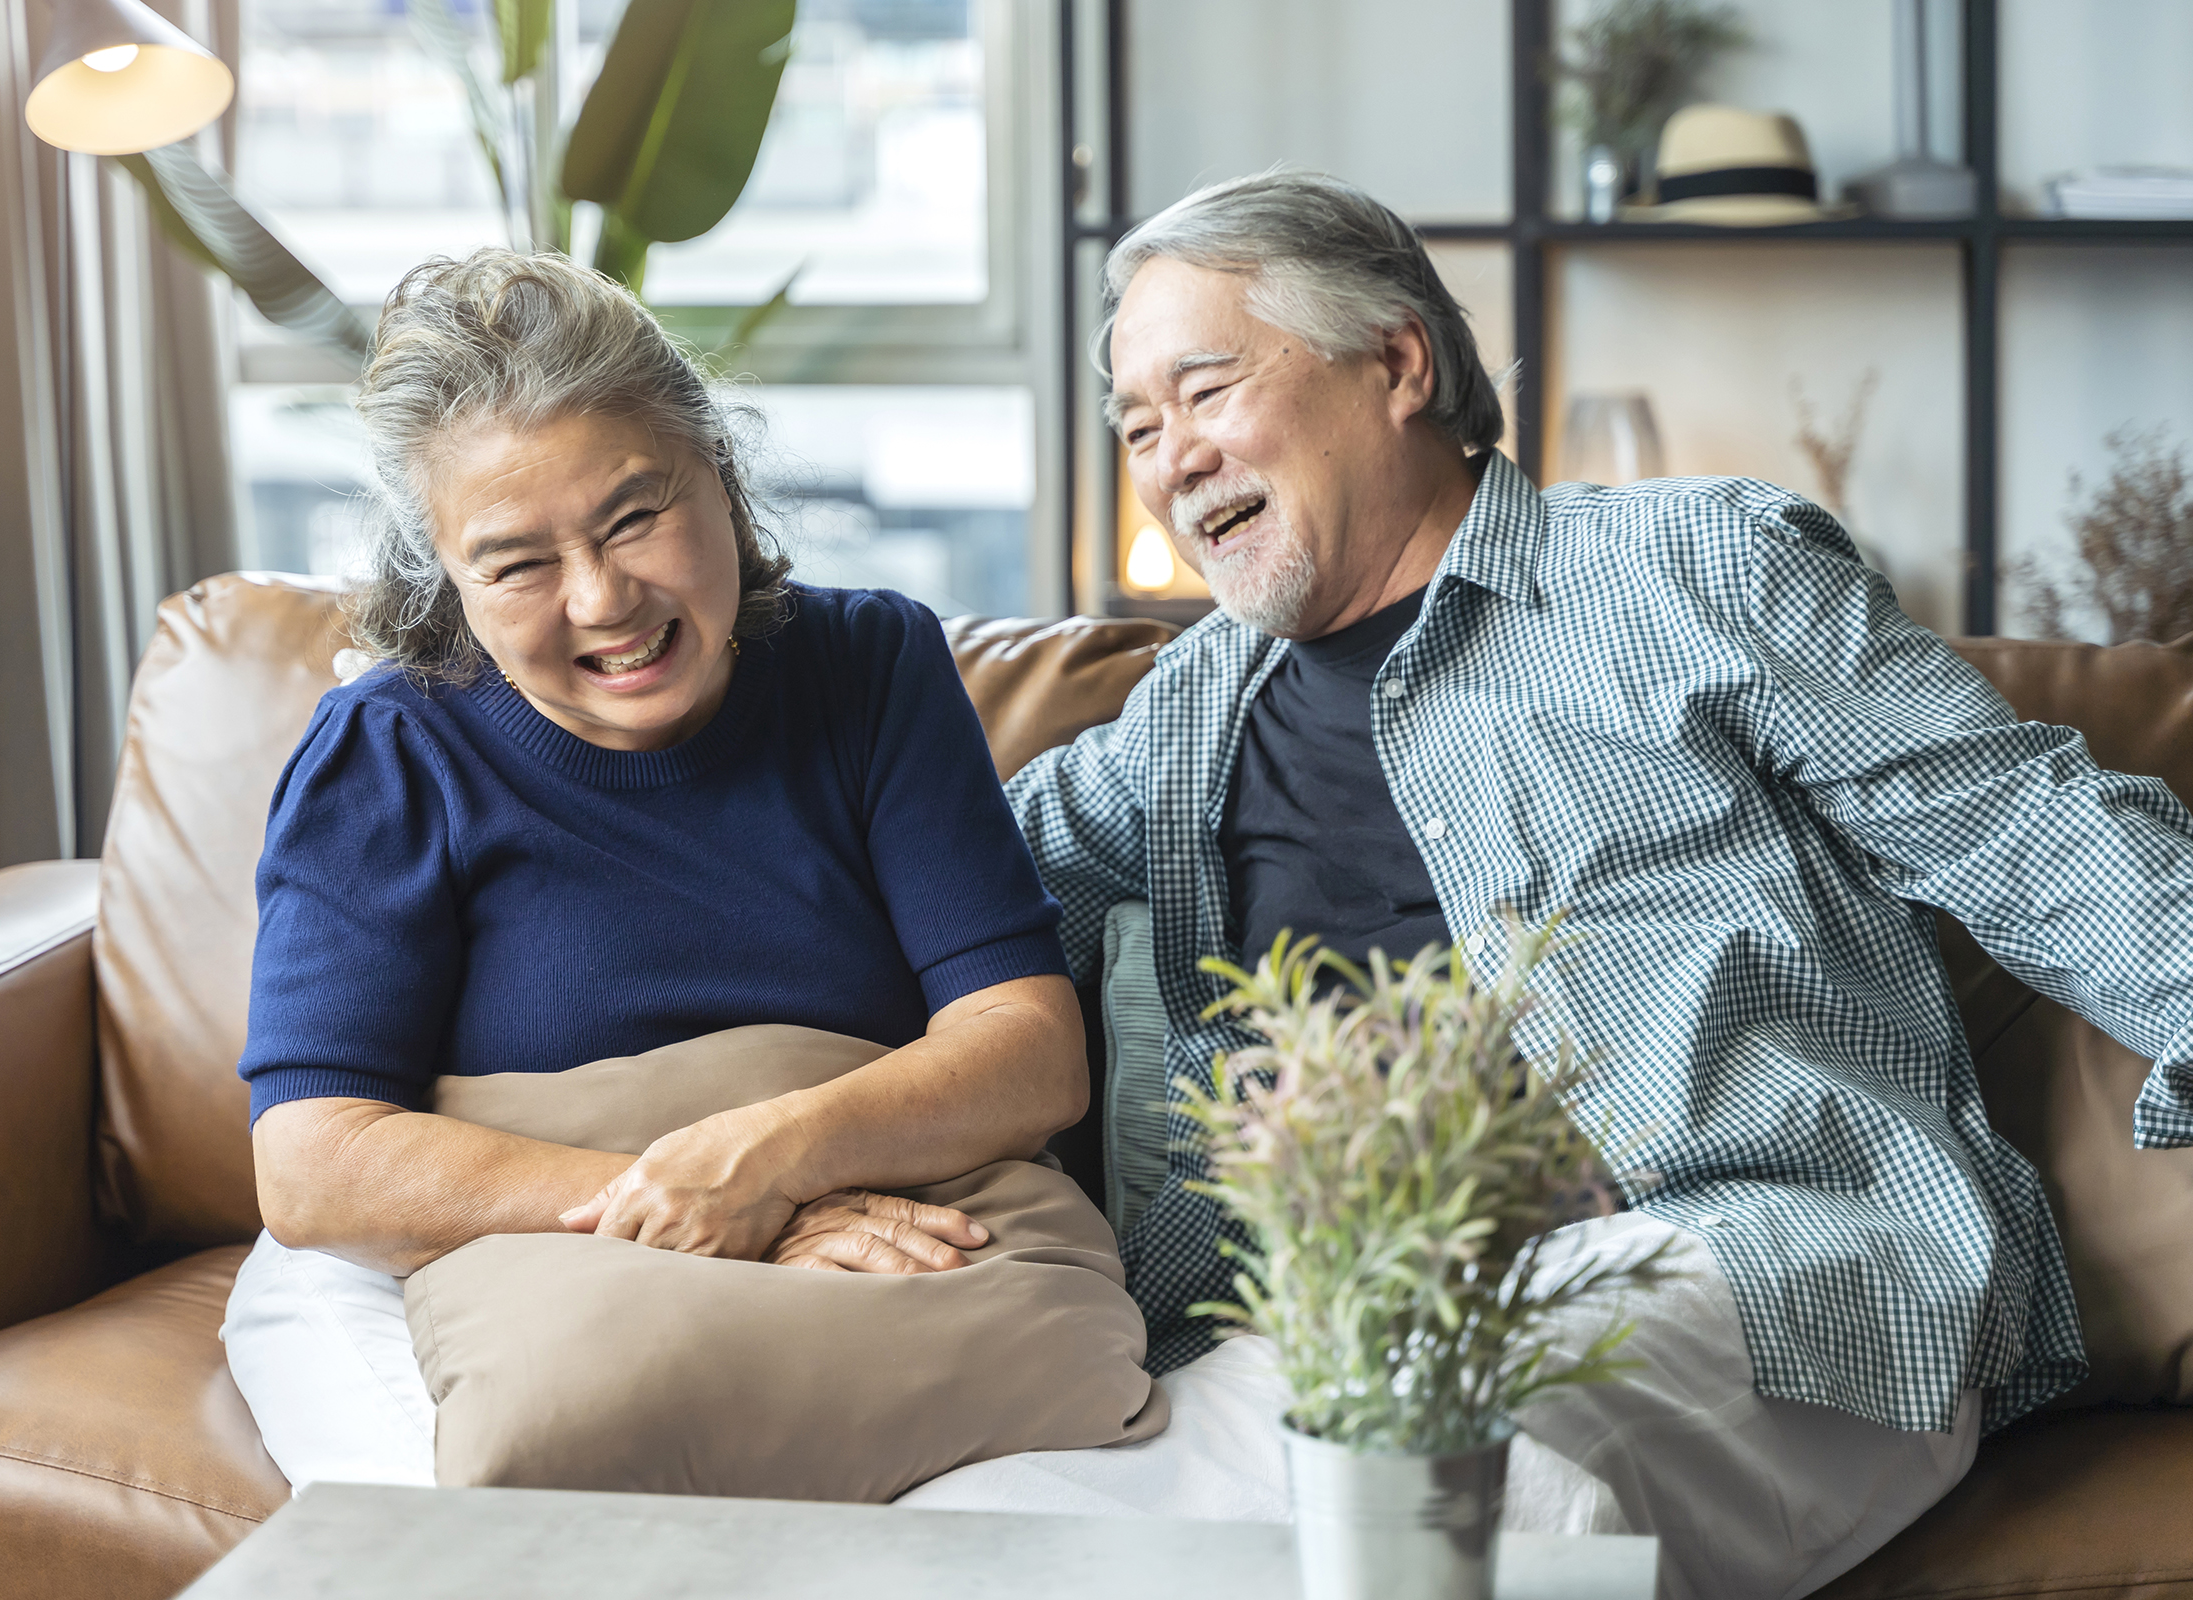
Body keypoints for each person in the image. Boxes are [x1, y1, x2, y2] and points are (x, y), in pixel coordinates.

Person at [999, 170, 2193, 1598]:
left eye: (1205, 392)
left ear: (1397, 363)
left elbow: (2035, 835)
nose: (1170, 459)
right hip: (1321, 1338)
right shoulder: (1178, 723)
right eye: (1137, 425)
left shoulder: (1692, 573)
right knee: (992, 1512)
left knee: (1456, 1471)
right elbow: (946, 916)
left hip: (1768, 1273)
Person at [221, 249, 1088, 1492]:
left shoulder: (869, 667)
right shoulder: (390, 751)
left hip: (868, 1227)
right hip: (495, 1256)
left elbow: (1030, 1044)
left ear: (720, 481)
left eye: (637, 515)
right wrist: (705, 1199)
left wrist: (775, 1156)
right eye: (517, 562)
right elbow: (313, 1161)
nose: (602, 598)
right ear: (449, 586)